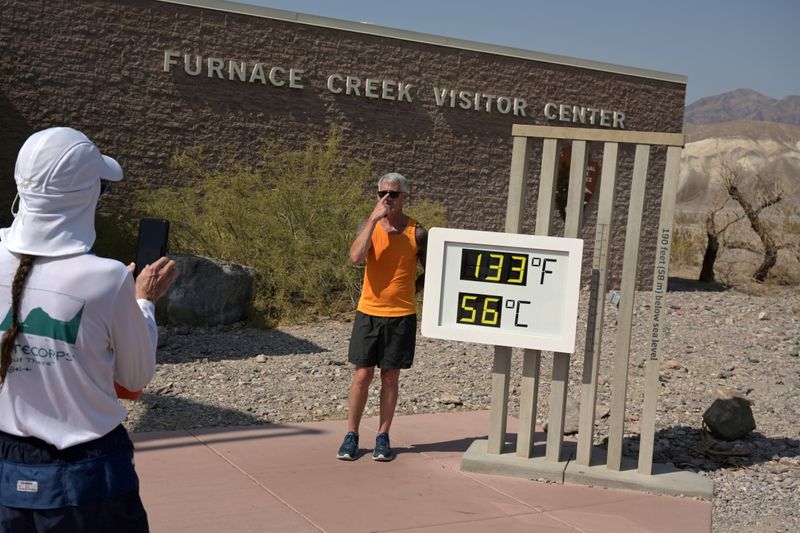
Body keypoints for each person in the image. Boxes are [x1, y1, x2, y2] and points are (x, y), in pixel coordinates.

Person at [0, 127, 177, 532]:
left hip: (7, 467)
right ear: (86, 198)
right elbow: (135, 376)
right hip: (89, 478)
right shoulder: (107, 278)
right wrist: (143, 301)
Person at [337, 172, 426, 462]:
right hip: (369, 313)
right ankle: (351, 435)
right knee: (362, 375)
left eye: (393, 194)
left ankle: (382, 436)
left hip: (401, 315)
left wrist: (413, 289)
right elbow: (356, 258)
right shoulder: (370, 226)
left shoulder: (417, 231)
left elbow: (434, 268)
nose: (387, 198)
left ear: (405, 197)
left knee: (390, 378)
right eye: (382, 193)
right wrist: (374, 220)